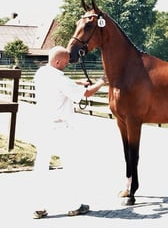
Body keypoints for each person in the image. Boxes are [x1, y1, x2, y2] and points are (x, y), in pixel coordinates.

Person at [32, 46, 107, 219]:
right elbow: (86, 93)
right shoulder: (61, 80)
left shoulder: (41, 73)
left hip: (43, 126)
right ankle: (74, 205)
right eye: (66, 61)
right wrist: (102, 81)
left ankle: (38, 207)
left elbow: (61, 82)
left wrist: (77, 82)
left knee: (41, 165)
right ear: (58, 61)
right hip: (60, 128)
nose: (68, 64)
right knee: (71, 166)